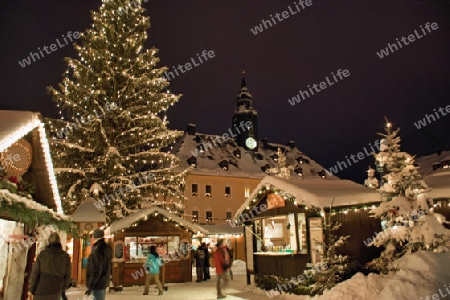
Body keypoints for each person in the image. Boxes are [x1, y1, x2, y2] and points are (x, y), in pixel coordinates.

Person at [28, 232, 71, 300]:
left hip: (40, 291)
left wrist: (31, 289)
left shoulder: (42, 255)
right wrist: (62, 288)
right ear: (59, 241)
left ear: (48, 242)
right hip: (55, 291)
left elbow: (35, 273)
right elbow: (67, 276)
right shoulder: (65, 256)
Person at [85, 229, 112, 300]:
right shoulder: (107, 248)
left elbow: (96, 270)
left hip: (97, 283)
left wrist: (90, 286)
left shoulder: (98, 250)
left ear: (95, 237)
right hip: (103, 281)